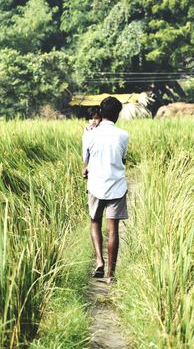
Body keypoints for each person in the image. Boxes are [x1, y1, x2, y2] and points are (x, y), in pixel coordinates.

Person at [82, 96, 129, 284]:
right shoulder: (123, 135)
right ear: (117, 114)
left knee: (95, 221)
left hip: (96, 184)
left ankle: (99, 262)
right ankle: (111, 273)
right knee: (113, 230)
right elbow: (123, 158)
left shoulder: (90, 134)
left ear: (101, 113)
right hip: (116, 185)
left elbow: (86, 160)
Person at [82, 106, 102, 179]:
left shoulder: (102, 131)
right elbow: (85, 152)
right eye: (91, 118)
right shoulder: (87, 131)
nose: (93, 120)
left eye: (96, 118)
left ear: (101, 119)